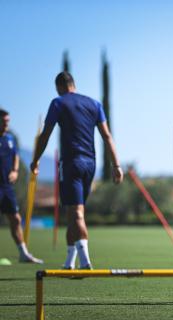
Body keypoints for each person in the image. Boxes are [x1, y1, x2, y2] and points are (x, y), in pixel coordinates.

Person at [30, 71, 123, 269]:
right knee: (73, 213)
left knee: (76, 213)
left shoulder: (58, 103)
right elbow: (107, 136)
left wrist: (36, 160)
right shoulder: (94, 104)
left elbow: (45, 135)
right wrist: (116, 165)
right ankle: (69, 262)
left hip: (71, 163)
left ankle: (85, 261)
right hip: (91, 164)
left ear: (59, 87)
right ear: (74, 84)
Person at [0, 109, 43, 264]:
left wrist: (15, 171)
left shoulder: (9, 139)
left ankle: (23, 254)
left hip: (6, 187)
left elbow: (15, 155)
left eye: (7, 121)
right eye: (3, 122)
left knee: (16, 219)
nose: (6, 124)